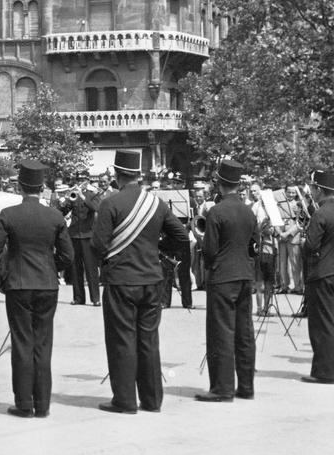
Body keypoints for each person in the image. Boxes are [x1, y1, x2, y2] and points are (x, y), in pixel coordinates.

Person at [92, 150, 190, 414]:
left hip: (122, 280)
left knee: (122, 339)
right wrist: (157, 249)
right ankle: (152, 400)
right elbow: (181, 237)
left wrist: (110, 260)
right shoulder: (156, 204)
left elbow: (98, 245)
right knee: (149, 340)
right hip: (152, 279)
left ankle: (124, 400)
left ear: (116, 174)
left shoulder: (110, 204)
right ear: (137, 174)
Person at [0, 162, 72, 418]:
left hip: (19, 284)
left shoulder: (8, 214)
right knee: (43, 344)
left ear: (20, 187)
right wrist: (51, 268)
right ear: (42, 187)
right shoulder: (55, 216)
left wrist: (1, 279)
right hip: (46, 285)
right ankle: (43, 404)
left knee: (22, 343)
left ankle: (24, 404)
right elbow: (68, 255)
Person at [197, 161, 259, 401]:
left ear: (219, 183)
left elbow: (210, 250)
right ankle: (246, 386)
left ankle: (222, 388)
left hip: (223, 277)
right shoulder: (248, 211)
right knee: (244, 332)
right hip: (245, 274)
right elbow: (255, 246)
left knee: (221, 332)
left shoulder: (216, 211)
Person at [301, 169, 334, 384]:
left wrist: (305, 236)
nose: (311, 191)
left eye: (312, 188)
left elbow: (310, 246)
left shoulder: (320, 214)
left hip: (322, 273)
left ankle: (324, 372)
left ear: (319, 189)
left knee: (322, 324)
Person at [60, 178, 101, 305]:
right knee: (75, 268)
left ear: (87, 182)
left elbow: (96, 207)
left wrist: (83, 196)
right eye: (79, 180)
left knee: (91, 268)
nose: (80, 183)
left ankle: (95, 299)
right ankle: (78, 298)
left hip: (88, 235)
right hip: (74, 235)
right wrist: (65, 200)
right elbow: (63, 212)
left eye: (83, 180)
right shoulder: (73, 195)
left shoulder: (93, 194)